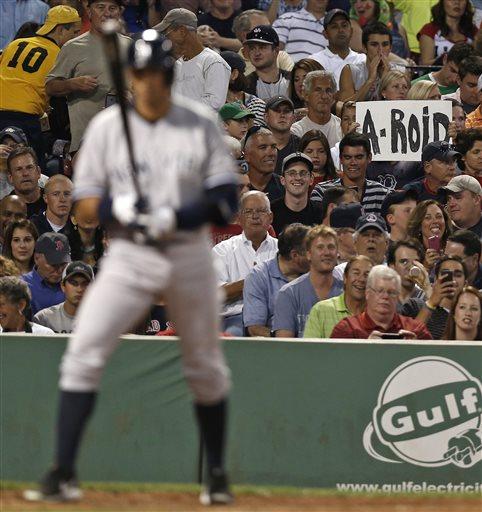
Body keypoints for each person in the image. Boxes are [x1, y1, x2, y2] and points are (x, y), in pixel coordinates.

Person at [26, 30, 238, 505]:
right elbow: (83, 210)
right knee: (83, 353)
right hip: (128, 255)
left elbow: (225, 202)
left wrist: (172, 214)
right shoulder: (106, 128)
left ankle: (218, 475)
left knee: (204, 365)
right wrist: (125, 210)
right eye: (141, 73)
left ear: (168, 73)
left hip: (187, 255)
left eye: (157, 73)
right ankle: (62, 470)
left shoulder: (199, 122)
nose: (149, 82)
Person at [0, 6, 81, 167]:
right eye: (74, 32)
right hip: (25, 116)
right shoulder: (59, 53)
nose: (76, 37)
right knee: (34, 167)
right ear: (60, 30)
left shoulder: (16, 43)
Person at [45, 0, 130, 154]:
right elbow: (50, 86)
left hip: (123, 140)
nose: (107, 13)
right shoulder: (72, 47)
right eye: (100, 7)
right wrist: (72, 84)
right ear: (89, 12)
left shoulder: (130, 46)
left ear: (119, 13)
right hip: (87, 142)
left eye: (112, 8)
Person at [213, 191, 278, 336]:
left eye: (261, 211)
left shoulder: (282, 250)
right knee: (233, 337)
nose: (255, 216)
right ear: (239, 218)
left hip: (275, 316)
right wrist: (254, 281)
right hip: (235, 318)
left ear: (270, 217)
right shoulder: (223, 250)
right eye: (248, 212)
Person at [272, 224, 343, 337]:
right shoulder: (289, 294)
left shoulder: (346, 291)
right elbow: (284, 346)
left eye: (331, 247)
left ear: (337, 253)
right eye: (320, 247)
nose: (327, 252)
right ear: (309, 254)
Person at [157, 8, 231, 111]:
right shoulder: (177, 65)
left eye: (166, 34)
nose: (165, 40)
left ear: (182, 31)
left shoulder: (213, 61)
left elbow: (214, 104)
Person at [243, 223, 310, 336]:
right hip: (277, 347)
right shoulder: (258, 276)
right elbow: (255, 328)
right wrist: (283, 338)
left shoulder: (316, 273)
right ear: (295, 255)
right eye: (309, 252)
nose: (314, 256)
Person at [330, 265, 432, 339]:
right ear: (367, 293)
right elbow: (334, 366)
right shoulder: (347, 329)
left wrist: (415, 350)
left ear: (397, 297)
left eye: (391, 292)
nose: (385, 297)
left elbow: (432, 364)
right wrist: (365, 349)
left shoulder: (415, 330)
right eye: (379, 291)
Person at [311, 132, 390, 215]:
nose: (353, 162)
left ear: (369, 158)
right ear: (341, 159)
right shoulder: (322, 191)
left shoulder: (383, 194)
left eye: (359, 157)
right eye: (347, 157)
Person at [304, 254, 373, 338]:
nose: (361, 279)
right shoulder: (320, 310)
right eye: (356, 273)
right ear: (345, 278)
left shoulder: (378, 314)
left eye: (367, 275)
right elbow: (310, 350)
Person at [338, 21, 403, 102]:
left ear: (390, 48)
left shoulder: (400, 72)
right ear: (364, 48)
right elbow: (342, 108)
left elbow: (403, 107)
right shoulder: (351, 71)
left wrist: (386, 79)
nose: (380, 50)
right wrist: (370, 80)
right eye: (374, 45)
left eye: (385, 44)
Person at [308, 9, 365, 88]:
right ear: (325, 34)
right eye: (334, 27)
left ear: (351, 31)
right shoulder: (315, 61)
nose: (341, 30)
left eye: (344, 25)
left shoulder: (363, 60)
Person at [33, 261, 93, 333]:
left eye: (85, 284)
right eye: (74, 283)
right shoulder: (44, 319)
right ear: (63, 286)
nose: (79, 289)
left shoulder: (104, 320)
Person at [271, 152, 323, 234]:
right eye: (292, 173)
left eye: (303, 173)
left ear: (311, 179)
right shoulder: (271, 212)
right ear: (282, 180)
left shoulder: (322, 213)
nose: (298, 178)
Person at [231, 9, 294, 76]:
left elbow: (292, 83)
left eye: (269, 28)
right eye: (261, 29)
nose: (269, 33)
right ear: (245, 35)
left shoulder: (281, 57)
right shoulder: (234, 65)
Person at [22, 232, 70, 316]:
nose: (59, 271)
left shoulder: (75, 285)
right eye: (53, 264)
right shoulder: (22, 286)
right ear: (36, 258)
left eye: (63, 264)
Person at [290, 70, 342, 146]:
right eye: (318, 90)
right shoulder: (296, 132)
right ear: (306, 95)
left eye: (328, 91)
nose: (324, 96)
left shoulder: (342, 127)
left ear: (334, 97)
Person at [418, 0, 477, 66]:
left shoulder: (473, 31)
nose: (457, 2)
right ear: (442, 2)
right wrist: (448, 59)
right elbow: (425, 64)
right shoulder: (430, 29)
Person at [243, 25, 291, 100]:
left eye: (262, 47)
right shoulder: (245, 84)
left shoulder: (292, 80)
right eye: (252, 48)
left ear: (276, 51)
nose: (257, 53)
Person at [220, 50, 266, 125]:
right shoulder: (210, 102)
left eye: (217, 71)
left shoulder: (257, 105)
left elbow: (255, 135)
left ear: (234, 74)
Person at [406, 199, 453, 271]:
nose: (435, 221)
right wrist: (425, 267)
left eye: (439, 216)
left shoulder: (454, 250)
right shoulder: (410, 254)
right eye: (427, 218)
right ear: (419, 225)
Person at [244, 126, 285, 201]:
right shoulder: (235, 189)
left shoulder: (285, 186)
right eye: (263, 147)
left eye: (273, 147)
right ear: (247, 155)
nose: (271, 153)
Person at [264, 95, 300, 174]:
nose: (282, 115)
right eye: (277, 111)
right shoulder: (257, 146)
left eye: (287, 111)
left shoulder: (301, 146)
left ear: (294, 118)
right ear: (266, 117)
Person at [6, 146, 46, 217]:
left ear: (38, 172)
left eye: (29, 167)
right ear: (10, 177)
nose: (25, 173)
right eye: (19, 169)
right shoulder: (4, 209)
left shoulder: (53, 202)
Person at [387, 239, 428, 303]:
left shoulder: (427, 298)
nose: (410, 267)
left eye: (415, 262)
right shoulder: (383, 297)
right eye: (404, 262)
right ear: (392, 267)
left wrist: (427, 288)